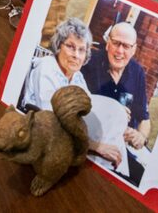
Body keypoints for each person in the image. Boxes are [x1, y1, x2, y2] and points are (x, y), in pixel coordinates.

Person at [20, 18, 124, 168]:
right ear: (58, 46)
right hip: (44, 140)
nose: (76, 55)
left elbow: (90, 108)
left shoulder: (77, 76)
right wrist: (95, 146)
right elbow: (51, 120)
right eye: (70, 46)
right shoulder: (47, 68)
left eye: (82, 50)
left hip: (71, 137)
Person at [81, 21, 150, 184]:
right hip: (95, 144)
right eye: (116, 43)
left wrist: (141, 136)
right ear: (107, 43)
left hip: (124, 146)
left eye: (126, 46)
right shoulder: (89, 63)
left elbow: (145, 119)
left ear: (133, 50)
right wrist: (111, 110)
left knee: (142, 177)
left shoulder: (137, 72)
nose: (120, 51)